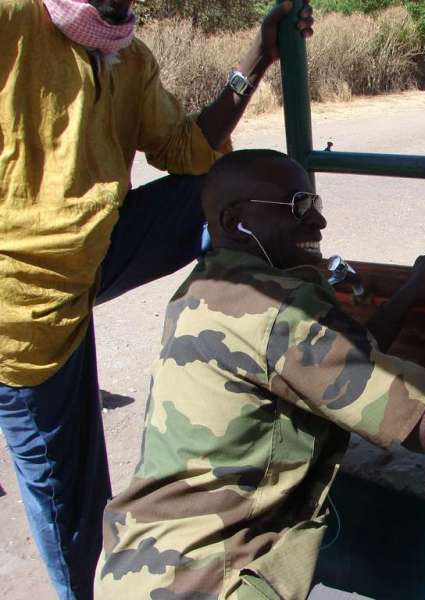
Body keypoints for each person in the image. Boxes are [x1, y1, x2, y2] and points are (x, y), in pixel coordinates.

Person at [0, 1, 314, 598]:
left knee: (226, 190)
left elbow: (187, 149)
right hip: (23, 305)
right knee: (72, 500)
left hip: (91, 253)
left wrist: (259, 56)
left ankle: (255, 356)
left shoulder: (127, 57)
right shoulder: (14, 20)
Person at [94, 149, 425, 600]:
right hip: (211, 581)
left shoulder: (206, 288)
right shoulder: (280, 310)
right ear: (235, 222)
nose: (319, 223)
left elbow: (337, 366)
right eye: (299, 207)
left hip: (136, 568)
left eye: (316, 204)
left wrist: (407, 295)